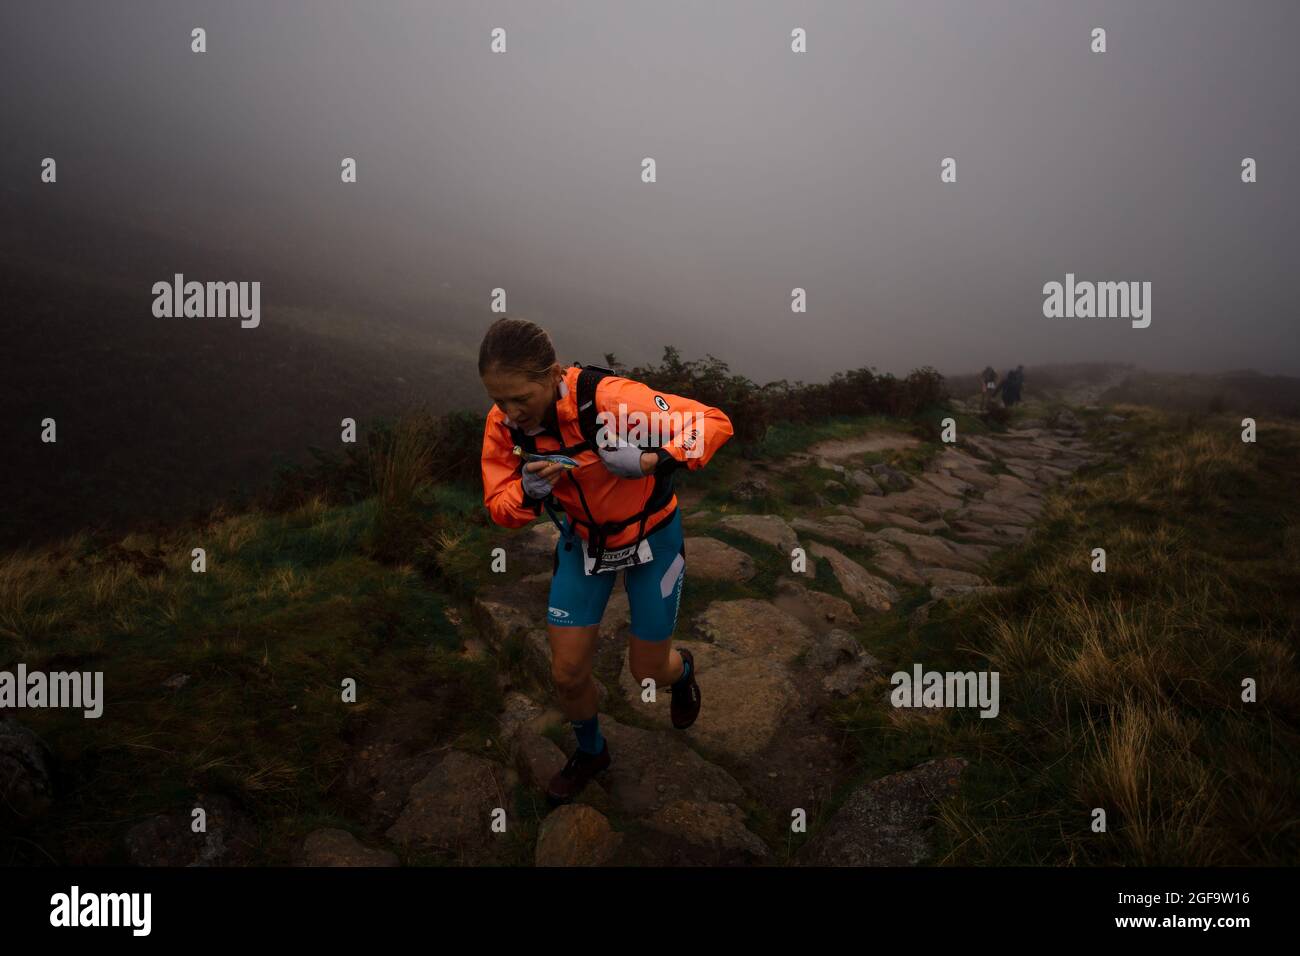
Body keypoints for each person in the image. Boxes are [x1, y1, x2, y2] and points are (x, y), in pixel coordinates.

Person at [478, 317, 734, 804]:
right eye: (498, 400)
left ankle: (682, 674)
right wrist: (527, 495)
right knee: (567, 672)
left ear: (553, 374)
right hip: (584, 544)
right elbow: (499, 505)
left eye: (520, 399)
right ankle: (592, 751)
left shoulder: (609, 400)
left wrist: (651, 460)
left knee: (647, 671)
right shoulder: (504, 426)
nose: (510, 413)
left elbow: (712, 422)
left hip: (652, 536)